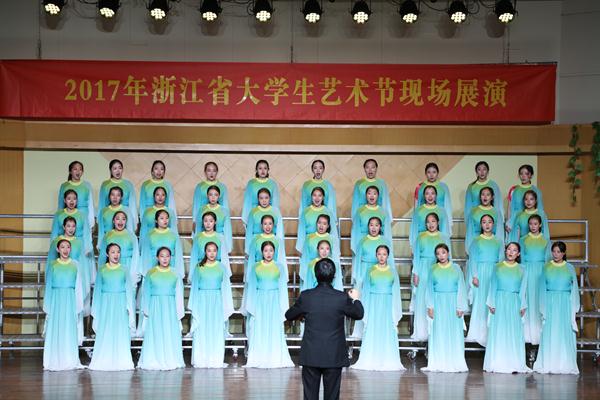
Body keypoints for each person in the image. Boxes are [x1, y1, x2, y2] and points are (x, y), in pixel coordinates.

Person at [286, 258, 364, 400]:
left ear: (315, 275)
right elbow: (358, 314)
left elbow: (289, 315)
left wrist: (302, 314)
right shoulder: (341, 297)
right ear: (334, 276)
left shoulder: (306, 296)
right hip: (334, 356)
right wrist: (356, 299)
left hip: (311, 355)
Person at [241, 241, 294, 368]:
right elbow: (252, 287)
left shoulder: (280, 267)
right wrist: (252, 307)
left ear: (274, 252)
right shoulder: (255, 267)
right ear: (262, 252)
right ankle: (259, 357)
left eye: (271, 250)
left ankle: (274, 357)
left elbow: (282, 288)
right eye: (266, 250)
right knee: (260, 327)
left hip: (274, 300)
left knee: (274, 327)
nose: (268, 253)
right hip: (260, 300)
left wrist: (283, 307)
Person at [351, 245, 404, 371]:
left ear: (388, 256)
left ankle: (387, 359)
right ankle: (371, 358)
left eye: (384, 254)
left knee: (386, 330)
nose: (381, 257)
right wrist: (366, 310)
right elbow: (366, 290)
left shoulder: (393, 271)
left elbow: (396, 292)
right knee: (373, 329)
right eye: (379, 254)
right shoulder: (370, 270)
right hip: (374, 304)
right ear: (376, 256)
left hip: (387, 304)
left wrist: (395, 310)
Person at [533, 241, 580, 374]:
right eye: (553, 251)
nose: (555, 254)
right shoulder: (546, 267)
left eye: (558, 252)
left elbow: (574, 289)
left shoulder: (570, 268)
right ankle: (550, 362)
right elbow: (541, 288)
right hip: (550, 302)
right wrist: (543, 308)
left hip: (565, 303)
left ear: (563, 253)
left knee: (564, 331)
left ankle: (565, 362)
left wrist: (574, 308)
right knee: (550, 331)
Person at [483, 242, 530, 373]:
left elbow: (523, 289)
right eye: (509, 249)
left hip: (514, 301)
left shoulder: (523, 269)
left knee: (513, 331)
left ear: (518, 254)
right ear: (505, 251)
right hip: (499, 300)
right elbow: (492, 285)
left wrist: (523, 305)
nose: (511, 252)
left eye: (514, 250)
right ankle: (498, 361)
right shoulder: (497, 267)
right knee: (499, 330)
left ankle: (513, 362)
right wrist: (491, 302)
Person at [422, 243, 468, 373]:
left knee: (453, 332)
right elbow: (429, 288)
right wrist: (430, 306)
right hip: (438, 302)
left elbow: (461, 287)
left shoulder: (456, 268)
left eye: (443, 252)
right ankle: (439, 361)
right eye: (438, 253)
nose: (441, 256)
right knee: (439, 331)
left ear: (448, 253)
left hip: (453, 303)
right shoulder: (433, 269)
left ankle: (454, 361)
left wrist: (460, 306)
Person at [89, 243, 136, 371]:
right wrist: (97, 310)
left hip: (120, 303)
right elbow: (97, 291)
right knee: (106, 329)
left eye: (118, 252)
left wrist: (129, 308)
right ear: (107, 254)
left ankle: (121, 359)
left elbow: (129, 290)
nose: (116, 254)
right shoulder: (102, 270)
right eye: (113, 252)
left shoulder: (124, 269)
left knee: (120, 329)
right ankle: (105, 358)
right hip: (106, 304)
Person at [188, 242, 234, 368]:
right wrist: (194, 305)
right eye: (209, 250)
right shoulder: (199, 267)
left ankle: (215, 358)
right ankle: (201, 358)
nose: (212, 253)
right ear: (205, 252)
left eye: (214, 250)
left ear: (217, 252)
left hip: (216, 301)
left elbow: (226, 287)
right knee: (202, 329)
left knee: (215, 329)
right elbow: (194, 287)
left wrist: (225, 305)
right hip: (202, 301)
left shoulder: (222, 267)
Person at [138, 247, 185, 370]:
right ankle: (154, 358)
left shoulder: (175, 273)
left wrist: (179, 311)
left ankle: (170, 358)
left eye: (167, 256)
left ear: (170, 258)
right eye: (162, 256)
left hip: (170, 307)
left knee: (169, 331)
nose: (165, 259)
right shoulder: (151, 273)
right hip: (155, 306)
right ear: (157, 257)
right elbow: (146, 293)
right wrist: (147, 310)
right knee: (156, 332)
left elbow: (179, 293)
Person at [43, 239, 84, 371]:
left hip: (70, 299)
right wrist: (48, 306)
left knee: (68, 328)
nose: (65, 250)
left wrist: (78, 305)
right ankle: (54, 359)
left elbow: (78, 286)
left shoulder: (75, 264)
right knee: (56, 328)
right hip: (56, 300)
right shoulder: (53, 265)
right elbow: (48, 286)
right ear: (58, 249)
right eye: (62, 247)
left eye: (68, 247)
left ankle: (69, 359)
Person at [409, 213, 450, 341]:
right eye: (428, 222)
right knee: (422, 300)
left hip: (439, 269)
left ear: (438, 222)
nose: (431, 224)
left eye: (433, 221)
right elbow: (416, 257)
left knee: (436, 300)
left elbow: (449, 256)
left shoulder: (444, 237)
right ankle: (422, 333)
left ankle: (438, 334)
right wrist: (416, 273)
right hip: (423, 270)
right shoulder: (420, 237)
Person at [465, 214, 504, 346]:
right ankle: (477, 333)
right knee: (480, 302)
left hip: (494, 273)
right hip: (481, 274)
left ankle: (491, 334)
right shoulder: (476, 241)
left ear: (493, 224)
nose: (487, 225)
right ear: (481, 225)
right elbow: (473, 260)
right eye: (484, 222)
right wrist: (474, 276)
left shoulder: (498, 241)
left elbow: (501, 260)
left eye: (489, 222)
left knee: (492, 302)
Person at [46, 216, 94, 316]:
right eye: (68, 226)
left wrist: (85, 279)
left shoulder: (79, 242)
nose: (71, 229)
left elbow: (83, 263)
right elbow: (51, 262)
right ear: (64, 227)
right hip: (60, 279)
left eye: (73, 226)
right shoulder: (56, 242)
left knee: (74, 307)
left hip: (74, 278)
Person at [519, 214, 550, 345]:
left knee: (539, 300)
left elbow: (548, 259)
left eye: (535, 224)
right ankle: (527, 335)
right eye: (530, 224)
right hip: (527, 271)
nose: (533, 226)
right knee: (528, 299)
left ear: (540, 225)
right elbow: (521, 259)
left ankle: (539, 335)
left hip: (541, 271)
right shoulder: (523, 240)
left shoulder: (545, 240)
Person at [299, 214, 342, 291]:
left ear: (328, 226)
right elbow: (305, 257)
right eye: (319, 223)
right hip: (312, 272)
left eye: (324, 223)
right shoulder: (309, 238)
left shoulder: (332, 238)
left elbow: (336, 256)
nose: (321, 226)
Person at [139, 209, 184, 278]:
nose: (165, 220)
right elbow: (145, 255)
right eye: (162, 218)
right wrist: (146, 273)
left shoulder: (174, 235)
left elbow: (178, 254)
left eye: (167, 218)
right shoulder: (149, 235)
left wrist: (179, 272)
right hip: (153, 266)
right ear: (156, 220)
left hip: (171, 266)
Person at [190, 211, 232, 281]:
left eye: (211, 221)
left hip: (216, 270)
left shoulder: (220, 238)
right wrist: (191, 275)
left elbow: (224, 257)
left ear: (215, 222)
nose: (208, 224)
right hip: (201, 270)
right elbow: (194, 258)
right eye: (205, 221)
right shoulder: (197, 237)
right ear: (203, 222)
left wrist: (226, 274)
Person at [350, 186, 392, 254]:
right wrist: (356, 248)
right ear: (366, 195)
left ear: (378, 196)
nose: (372, 196)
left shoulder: (384, 212)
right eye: (369, 193)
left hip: (379, 245)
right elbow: (355, 231)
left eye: (374, 194)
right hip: (364, 246)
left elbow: (387, 233)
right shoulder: (360, 211)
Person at [245, 214, 286, 282]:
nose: (267, 226)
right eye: (265, 224)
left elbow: (281, 259)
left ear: (273, 225)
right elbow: (251, 260)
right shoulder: (255, 240)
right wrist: (250, 278)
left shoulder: (278, 241)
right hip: (259, 274)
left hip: (273, 273)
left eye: (270, 224)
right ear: (261, 225)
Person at [296, 186, 338, 254]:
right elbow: (301, 232)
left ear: (323, 197)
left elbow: (333, 233)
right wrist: (300, 249)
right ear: (311, 197)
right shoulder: (305, 212)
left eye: (319, 195)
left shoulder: (328, 212)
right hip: (310, 246)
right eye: (314, 195)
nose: (317, 198)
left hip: (325, 249)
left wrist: (336, 251)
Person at [97, 159, 138, 226]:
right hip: (109, 217)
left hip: (125, 217)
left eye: (120, 168)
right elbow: (102, 204)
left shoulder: (128, 184)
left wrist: (134, 222)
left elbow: (132, 205)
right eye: (115, 168)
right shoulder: (105, 184)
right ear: (110, 170)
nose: (118, 171)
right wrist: (99, 221)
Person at [244, 188, 284, 255]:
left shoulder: (276, 211)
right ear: (258, 199)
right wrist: (248, 250)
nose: (264, 200)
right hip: (256, 244)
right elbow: (249, 233)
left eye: (266, 198)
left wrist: (280, 248)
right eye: (261, 198)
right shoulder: (253, 212)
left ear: (270, 198)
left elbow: (280, 231)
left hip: (272, 243)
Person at [414, 162, 452, 233]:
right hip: (424, 219)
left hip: (440, 217)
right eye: (429, 172)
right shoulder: (420, 187)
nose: (431, 175)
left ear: (437, 173)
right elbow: (417, 205)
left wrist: (449, 222)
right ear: (425, 174)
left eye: (434, 172)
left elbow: (448, 206)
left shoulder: (443, 187)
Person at [57, 160, 95, 228]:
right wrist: (60, 222)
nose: (78, 171)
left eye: (80, 169)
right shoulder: (64, 186)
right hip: (68, 219)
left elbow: (90, 205)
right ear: (70, 171)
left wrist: (92, 222)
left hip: (84, 218)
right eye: (75, 169)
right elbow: (60, 206)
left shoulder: (87, 185)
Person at [464, 186, 505, 251]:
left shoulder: (497, 212)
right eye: (483, 194)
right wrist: (469, 248)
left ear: (492, 197)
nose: (485, 197)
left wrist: (500, 248)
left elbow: (500, 232)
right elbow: (469, 232)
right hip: (477, 245)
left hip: (492, 245)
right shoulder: (473, 211)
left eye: (488, 195)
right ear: (480, 197)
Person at [194, 185, 233, 251]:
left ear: (219, 196)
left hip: (219, 241)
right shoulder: (202, 209)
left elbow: (228, 230)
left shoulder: (224, 211)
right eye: (210, 195)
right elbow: (198, 228)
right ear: (207, 196)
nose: (213, 197)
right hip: (204, 241)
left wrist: (228, 248)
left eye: (216, 195)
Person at [241, 159, 280, 224]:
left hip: (269, 215)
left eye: (265, 168)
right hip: (254, 214)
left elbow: (275, 203)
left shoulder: (272, 184)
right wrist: (247, 219)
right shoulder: (251, 183)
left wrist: (275, 216)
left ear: (268, 170)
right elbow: (247, 202)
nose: (263, 171)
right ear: (256, 170)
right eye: (260, 168)